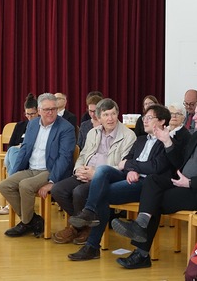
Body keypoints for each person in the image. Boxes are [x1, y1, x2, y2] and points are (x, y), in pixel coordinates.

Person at [66, 104, 171, 261]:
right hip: (130, 177)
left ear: (162, 121)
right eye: (144, 118)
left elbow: (155, 167)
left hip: (146, 184)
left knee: (102, 194)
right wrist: (131, 170)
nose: (145, 121)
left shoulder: (167, 142)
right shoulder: (141, 140)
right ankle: (89, 211)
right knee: (102, 170)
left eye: (149, 118)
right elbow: (126, 160)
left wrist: (131, 167)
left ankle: (92, 246)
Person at [111, 106, 196, 269]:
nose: (193, 118)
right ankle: (141, 229)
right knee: (152, 182)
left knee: (152, 201)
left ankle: (141, 252)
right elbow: (178, 163)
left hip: (193, 189)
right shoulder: (194, 136)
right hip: (182, 182)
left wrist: (190, 183)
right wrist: (167, 142)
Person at [51, 98, 136, 245]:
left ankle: (78, 227)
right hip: (85, 173)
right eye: (106, 115)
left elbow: (123, 166)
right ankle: (83, 226)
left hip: (105, 176)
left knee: (79, 192)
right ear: (98, 117)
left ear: (118, 114)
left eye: (113, 114)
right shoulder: (93, 132)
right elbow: (83, 155)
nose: (110, 118)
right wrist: (78, 169)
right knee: (58, 189)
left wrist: (95, 173)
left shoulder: (128, 136)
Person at [0, 93, 76, 238]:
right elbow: (24, 149)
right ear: (39, 110)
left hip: (50, 170)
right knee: (4, 185)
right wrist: (14, 172)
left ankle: (26, 223)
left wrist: (52, 181)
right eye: (46, 109)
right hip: (31, 168)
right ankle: (33, 220)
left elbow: (64, 158)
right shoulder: (33, 124)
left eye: (53, 109)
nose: (50, 112)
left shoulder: (66, 128)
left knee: (26, 186)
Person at [0, 93, 39, 215]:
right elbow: (11, 145)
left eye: (32, 114)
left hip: (31, 157)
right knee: (12, 151)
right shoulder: (20, 126)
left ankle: (11, 200)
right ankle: (13, 194)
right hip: (16, 157)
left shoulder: (41, 126)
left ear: (38, 112)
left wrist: (24, 148)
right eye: (27, 114)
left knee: (13, 152)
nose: (30, 117)